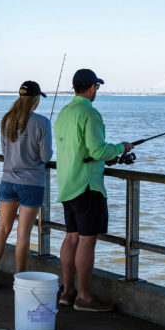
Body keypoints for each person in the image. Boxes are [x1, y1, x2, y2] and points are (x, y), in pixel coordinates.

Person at [54, 68, 133, 312]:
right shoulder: (90, 113)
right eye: (96, 87)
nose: (96, 91)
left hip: (67, 183)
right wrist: (121, 147)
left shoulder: (64, 113)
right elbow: (97, 150)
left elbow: (81, 150)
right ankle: (85, 298)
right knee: (87, 242)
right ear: (91, 88)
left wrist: (101, 156)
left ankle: (67, 293)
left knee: (71, 238)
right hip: (88, 186)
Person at [0, 80, 53, 288]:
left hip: (7, 180)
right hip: (32, 183)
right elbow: (45, 156)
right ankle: (20, 279)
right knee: (23, 232)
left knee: (2, 228)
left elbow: (5, 153)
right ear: (35, 99)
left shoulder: (7, 120)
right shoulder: (42, 122)